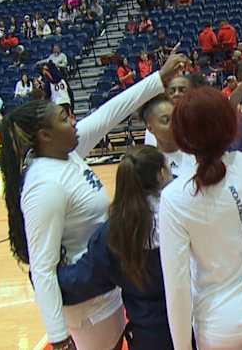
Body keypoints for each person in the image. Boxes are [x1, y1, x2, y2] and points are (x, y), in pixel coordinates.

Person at [0, 51, 184, 350]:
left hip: (106, 288)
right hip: (86, 304)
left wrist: (159, 79)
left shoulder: (67, 150)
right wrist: (58, 338)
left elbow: (111, 112)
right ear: (45, 135)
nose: (73, 121)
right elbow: (42, 267)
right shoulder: (43, 185)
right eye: (64, 118)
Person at [159, 81, 242, 349]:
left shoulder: (174, 198)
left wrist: (183, 347)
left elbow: (177, 287)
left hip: (218, 323)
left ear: (181, 138)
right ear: (231, 125)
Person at [56, 146, 174, 350]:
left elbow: (82, 280)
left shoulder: (114, 233)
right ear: (162, 174)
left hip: (150, 334)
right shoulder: (182, 214)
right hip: (195, 325)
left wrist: (46, 273)